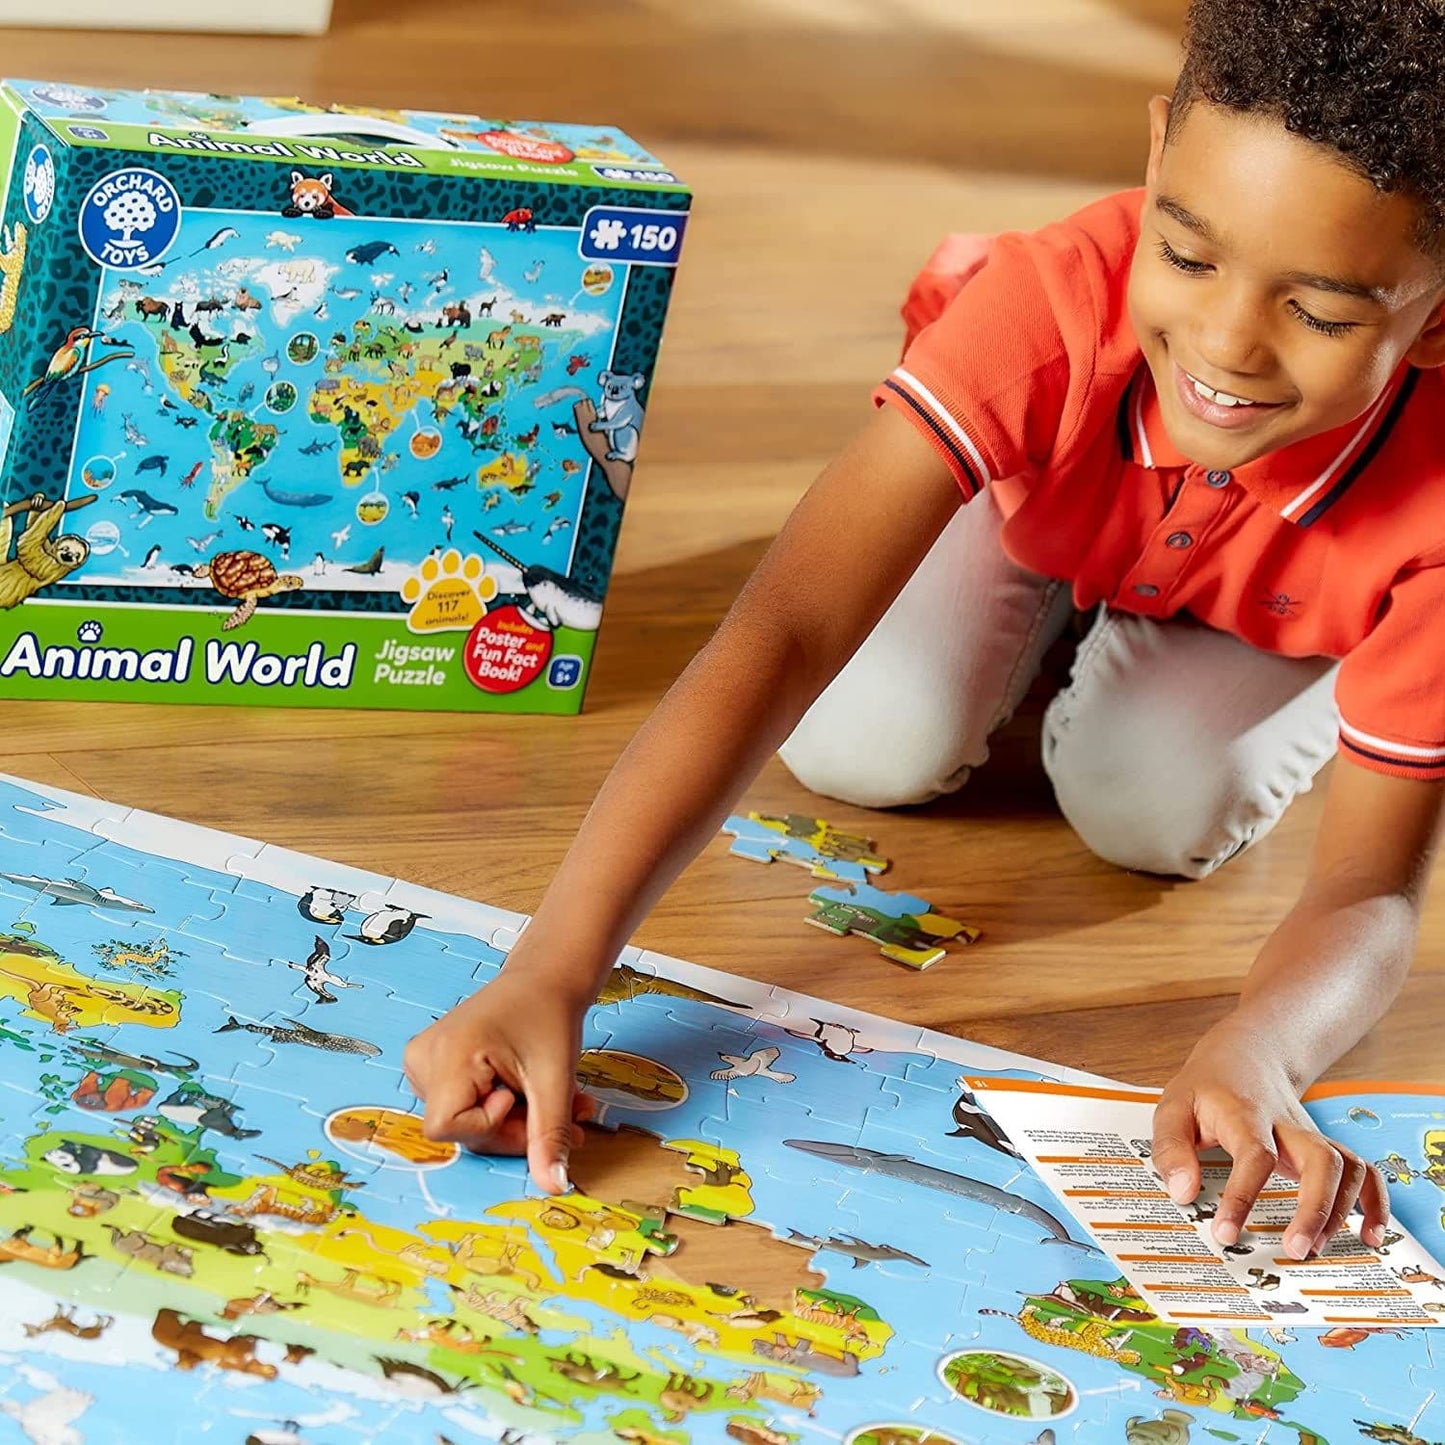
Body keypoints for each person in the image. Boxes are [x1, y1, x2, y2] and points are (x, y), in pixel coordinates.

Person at [405, 0, 1445, 1262]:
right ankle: (1012, 579)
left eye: (1320, 314)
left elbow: (1368, 888)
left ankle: (1278, 669)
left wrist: (1261, 1046)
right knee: (865, 743)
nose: (1224, 344)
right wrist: (553, 966)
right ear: (1156, 153)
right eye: (1184, 254)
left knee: (1148, 809)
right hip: (1036, 507)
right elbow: (788, 624)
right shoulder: (1050, 301)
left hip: (1262, 611)